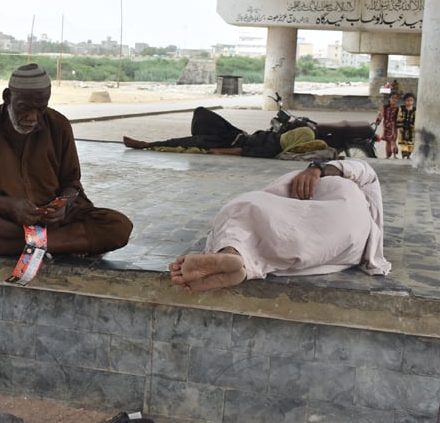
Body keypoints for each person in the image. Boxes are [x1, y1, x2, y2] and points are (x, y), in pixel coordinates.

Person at [0, 63, 133, 258]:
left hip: (54, 221)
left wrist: (62, 206)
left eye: (41, 109)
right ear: (7, 97)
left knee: (118, 227)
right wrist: (10, 206)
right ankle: (55, 242)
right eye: (25, 108)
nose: (33, 117)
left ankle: (11, 246)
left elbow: (72, 184)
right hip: (5, 221)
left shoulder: (59, 125)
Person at [169, 159, 390, 291]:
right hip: (348, 242)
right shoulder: (366, 237)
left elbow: (363, 169)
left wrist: (316, 168)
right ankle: (238, 262)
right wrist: (319, 169)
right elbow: (363, 170)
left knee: (244, 209)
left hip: (339, 204)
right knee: (293, 240)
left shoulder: (352, 184)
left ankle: (234, 253)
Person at [122, 106, 327, 159]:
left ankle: (147, 144)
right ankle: (200, 136)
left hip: (228, 143)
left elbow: (245, 152)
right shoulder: (279, 138)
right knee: (202, 113)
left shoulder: (274, 147)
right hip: (237, 133)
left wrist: (220, 152)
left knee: (188, 142)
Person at [376, 91, 400, 158]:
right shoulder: (385, 107)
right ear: (389, 98)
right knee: (387, 141)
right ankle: (387, 156)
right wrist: (377, 122)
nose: (394, 100)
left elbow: (400, 118)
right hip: (386, 126)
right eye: (393, 98)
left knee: (393, 140)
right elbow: (381, 115)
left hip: (393, 127)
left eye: (396, 98)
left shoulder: (398, 109)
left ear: (397, 100)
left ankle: (395, 155)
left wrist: (400, 126)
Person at [397, 92, 416, 159]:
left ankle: (408, 155)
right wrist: (400, 126)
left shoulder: (415, 110)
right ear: (405, 101)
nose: (409, 102)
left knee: (410, 143)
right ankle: (404, 155)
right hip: (403, 129)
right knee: (403, 143)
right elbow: (399, 117)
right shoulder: (401, 108)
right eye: (408, 100)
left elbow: (416, 119)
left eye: (411, 100)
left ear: (413, 101)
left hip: (411, 129)